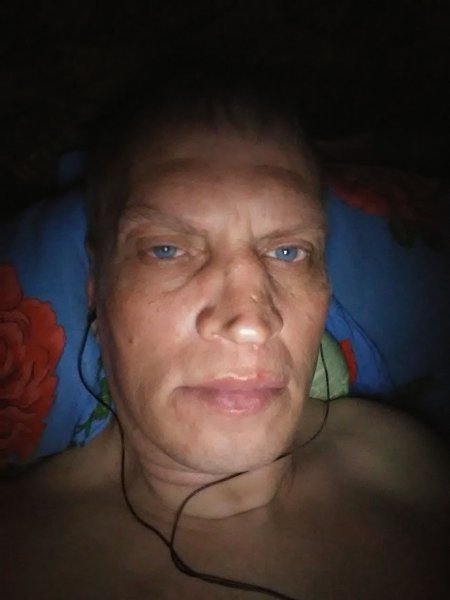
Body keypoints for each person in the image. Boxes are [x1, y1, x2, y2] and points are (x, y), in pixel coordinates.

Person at [1, 72, 449, 600]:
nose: (250, 322)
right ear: (97, 291)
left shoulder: (408, 469)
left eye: (288, 252)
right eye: (166, 250)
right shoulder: (21, 557)